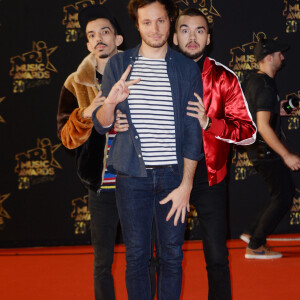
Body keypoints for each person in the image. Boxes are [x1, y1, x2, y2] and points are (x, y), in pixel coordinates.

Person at [92, 1, 204, 299]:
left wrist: (186, 186)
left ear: (170, 22)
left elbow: (194, 131)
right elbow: (102, 124)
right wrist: (112, 102)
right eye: (146, 22)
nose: (154, 29)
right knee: (137, 258)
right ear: (137, 26)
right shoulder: (118, 64)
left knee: (172, 256)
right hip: (132, 177)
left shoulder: (185, 68)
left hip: (172, 177)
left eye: (161, 21)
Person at [173, 8, 256, 299]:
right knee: (162, 257)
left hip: (210, 180)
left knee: (218, 257)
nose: (192, 37)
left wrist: (210, 123)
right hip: (167, 178)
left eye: (199, 31)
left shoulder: (224, 78)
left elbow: (248, 133)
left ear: (208, 38)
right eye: (185, 30)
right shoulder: (158, 75)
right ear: (174, 36)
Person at [56, 5, 123, 299]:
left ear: (118, 39)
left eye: (105, 32)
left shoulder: (139, 74)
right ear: (86, 43)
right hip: (100, 185)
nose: (99, 39)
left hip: (140, 181)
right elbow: (66, 138)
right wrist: (86, 114)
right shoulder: (74, 82)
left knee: (145, 256)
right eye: (92, 35)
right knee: (102, 262)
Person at [241, 38, 300, 259]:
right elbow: (263, 126)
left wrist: (281, 109)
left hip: (259, 150)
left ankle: (252, 233)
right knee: (283, 196)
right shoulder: (264, 85)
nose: (283, 58)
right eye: (279, 54)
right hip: (265, 150)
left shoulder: (257, 81)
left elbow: (260, 113)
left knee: (280, 194)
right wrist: (286, 155)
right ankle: (255, 245)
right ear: (268, 58)